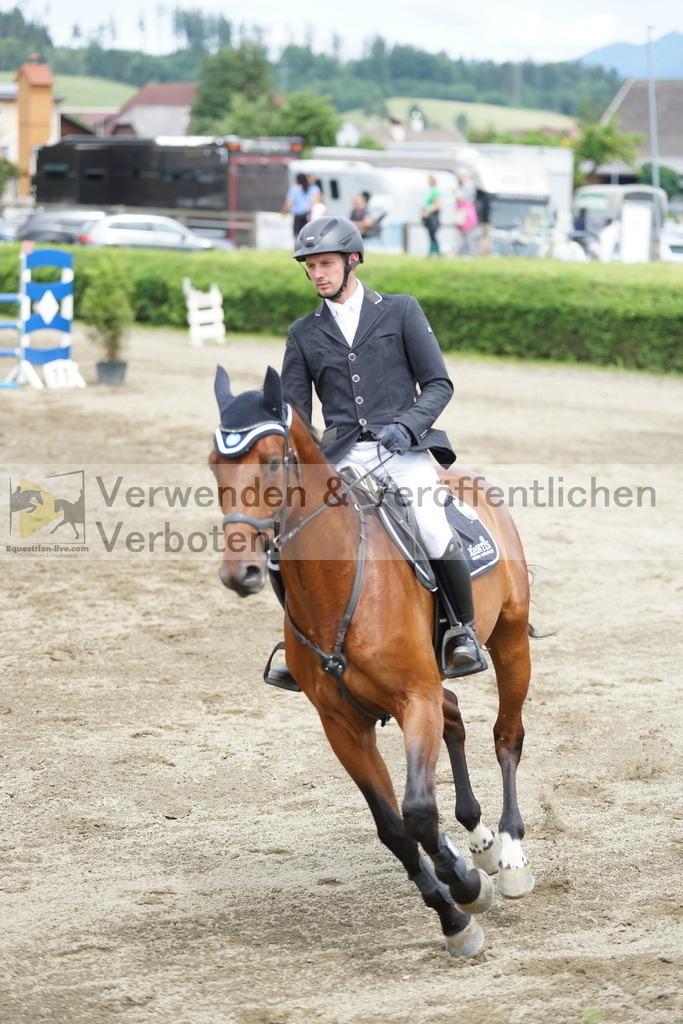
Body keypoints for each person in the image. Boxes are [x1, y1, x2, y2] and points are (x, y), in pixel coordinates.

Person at [265, 215, 488, 690]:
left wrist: (407, 426)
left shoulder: (400, 311)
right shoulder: (303, 333)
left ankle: (460, 632)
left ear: (352, 260)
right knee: (285, 544)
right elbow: (297, 414)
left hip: (403, 451)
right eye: (309, 266)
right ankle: (297, 642)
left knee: (430, 523)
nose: (317, 274)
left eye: (325, 264)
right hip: (342, 459)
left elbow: (438, 384)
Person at [281, 173, 314, 240]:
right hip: (307, 213)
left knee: (297, 233)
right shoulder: (309, 188)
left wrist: (284, 210)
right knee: (306, 232)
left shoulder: (295, 188)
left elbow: (289, 201)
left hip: (298, 214)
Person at [454, 170, 478, 256]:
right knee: (462, 236)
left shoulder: (469, 186)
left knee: (469, 235)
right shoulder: (462, 186)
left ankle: (470, 254)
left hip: (466, 212)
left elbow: (462, 199)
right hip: (462, 211)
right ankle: (463, 254)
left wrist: (456, 193)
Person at [421, 174, 441, 256]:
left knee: (433, 235)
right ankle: (432, 252)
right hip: (427, 217)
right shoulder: (430, 191)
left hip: (432, 216)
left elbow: (437, 205)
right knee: (430, 234)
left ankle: (437, 252)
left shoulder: (435, 191)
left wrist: (428, 212)